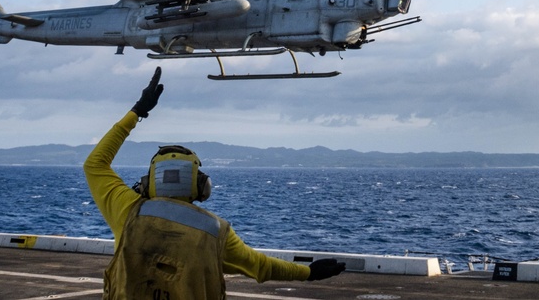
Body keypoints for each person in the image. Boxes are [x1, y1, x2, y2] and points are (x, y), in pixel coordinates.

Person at [84, 67, 345, 299]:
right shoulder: (216, 231)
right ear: (200, 185)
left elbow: (95, 164)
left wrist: (138, 111)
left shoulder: (127, 210)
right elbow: (262, 266)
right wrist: (308, 272)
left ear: (148, 182)